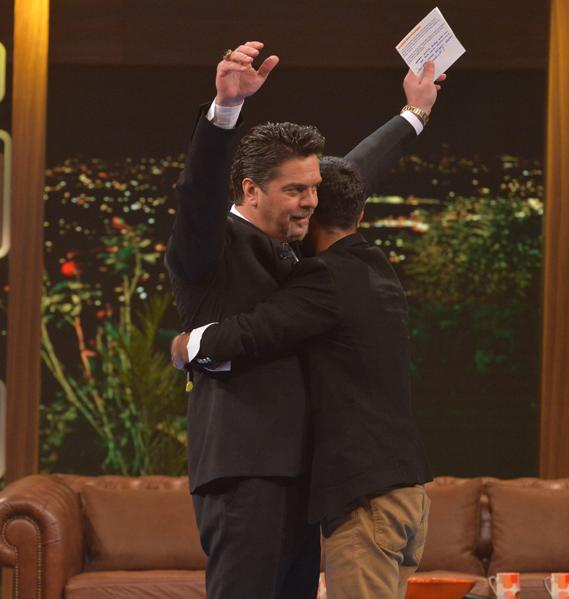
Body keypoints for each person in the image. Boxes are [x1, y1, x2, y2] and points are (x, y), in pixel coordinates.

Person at [164, 39, 440, 599]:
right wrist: (226, 110)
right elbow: (197, 193)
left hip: (305, 479)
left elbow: (351, 178)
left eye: (313, 188)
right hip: (245, 473)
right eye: (295, 190)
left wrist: (413, 113)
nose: (310, 201)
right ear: (250, 190)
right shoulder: (209, 249)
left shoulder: (298, 235)